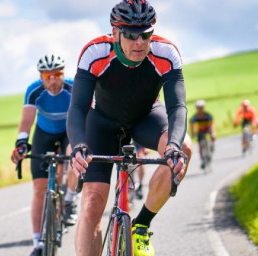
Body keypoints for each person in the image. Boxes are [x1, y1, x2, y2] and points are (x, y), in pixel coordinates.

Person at [66, 1, 193, 255]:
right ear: (115, 33)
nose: (140, 42)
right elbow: (78, 108)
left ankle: (142, 226)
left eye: (146, 34)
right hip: (102, 123)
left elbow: (177, 107)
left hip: (146, 117)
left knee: (184, 148)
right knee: (92, 201)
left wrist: (173, 147)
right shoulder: (95, 53)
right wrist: (79, 145)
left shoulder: (166, 53)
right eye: (131, 35)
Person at [10, 54, 80, 256]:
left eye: (57, 75)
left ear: (63, 74)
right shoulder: (34, 91)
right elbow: (26, 121)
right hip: (44, 133)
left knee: (74, 157)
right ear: (41, 77)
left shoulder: (73, 87)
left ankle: (69, 198)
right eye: (47, 76)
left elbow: (85, 115)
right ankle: (38, 243)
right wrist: (22, 143)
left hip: (70, 130)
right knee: (39, 188)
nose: (52, 80)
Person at [189, 99, 216, 169]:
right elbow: (191, 123)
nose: (200, 109)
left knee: (213, 136)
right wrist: (192, 133)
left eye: (201, 108)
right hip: (200, 131)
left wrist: (212, 133)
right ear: (196, 109)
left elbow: (212, 125)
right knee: (200, 145)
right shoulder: (195, 117)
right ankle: (202, 160)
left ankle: (212, 146)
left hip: (208, 129)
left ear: (203, 108)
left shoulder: (208, 116)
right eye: (198, 108)